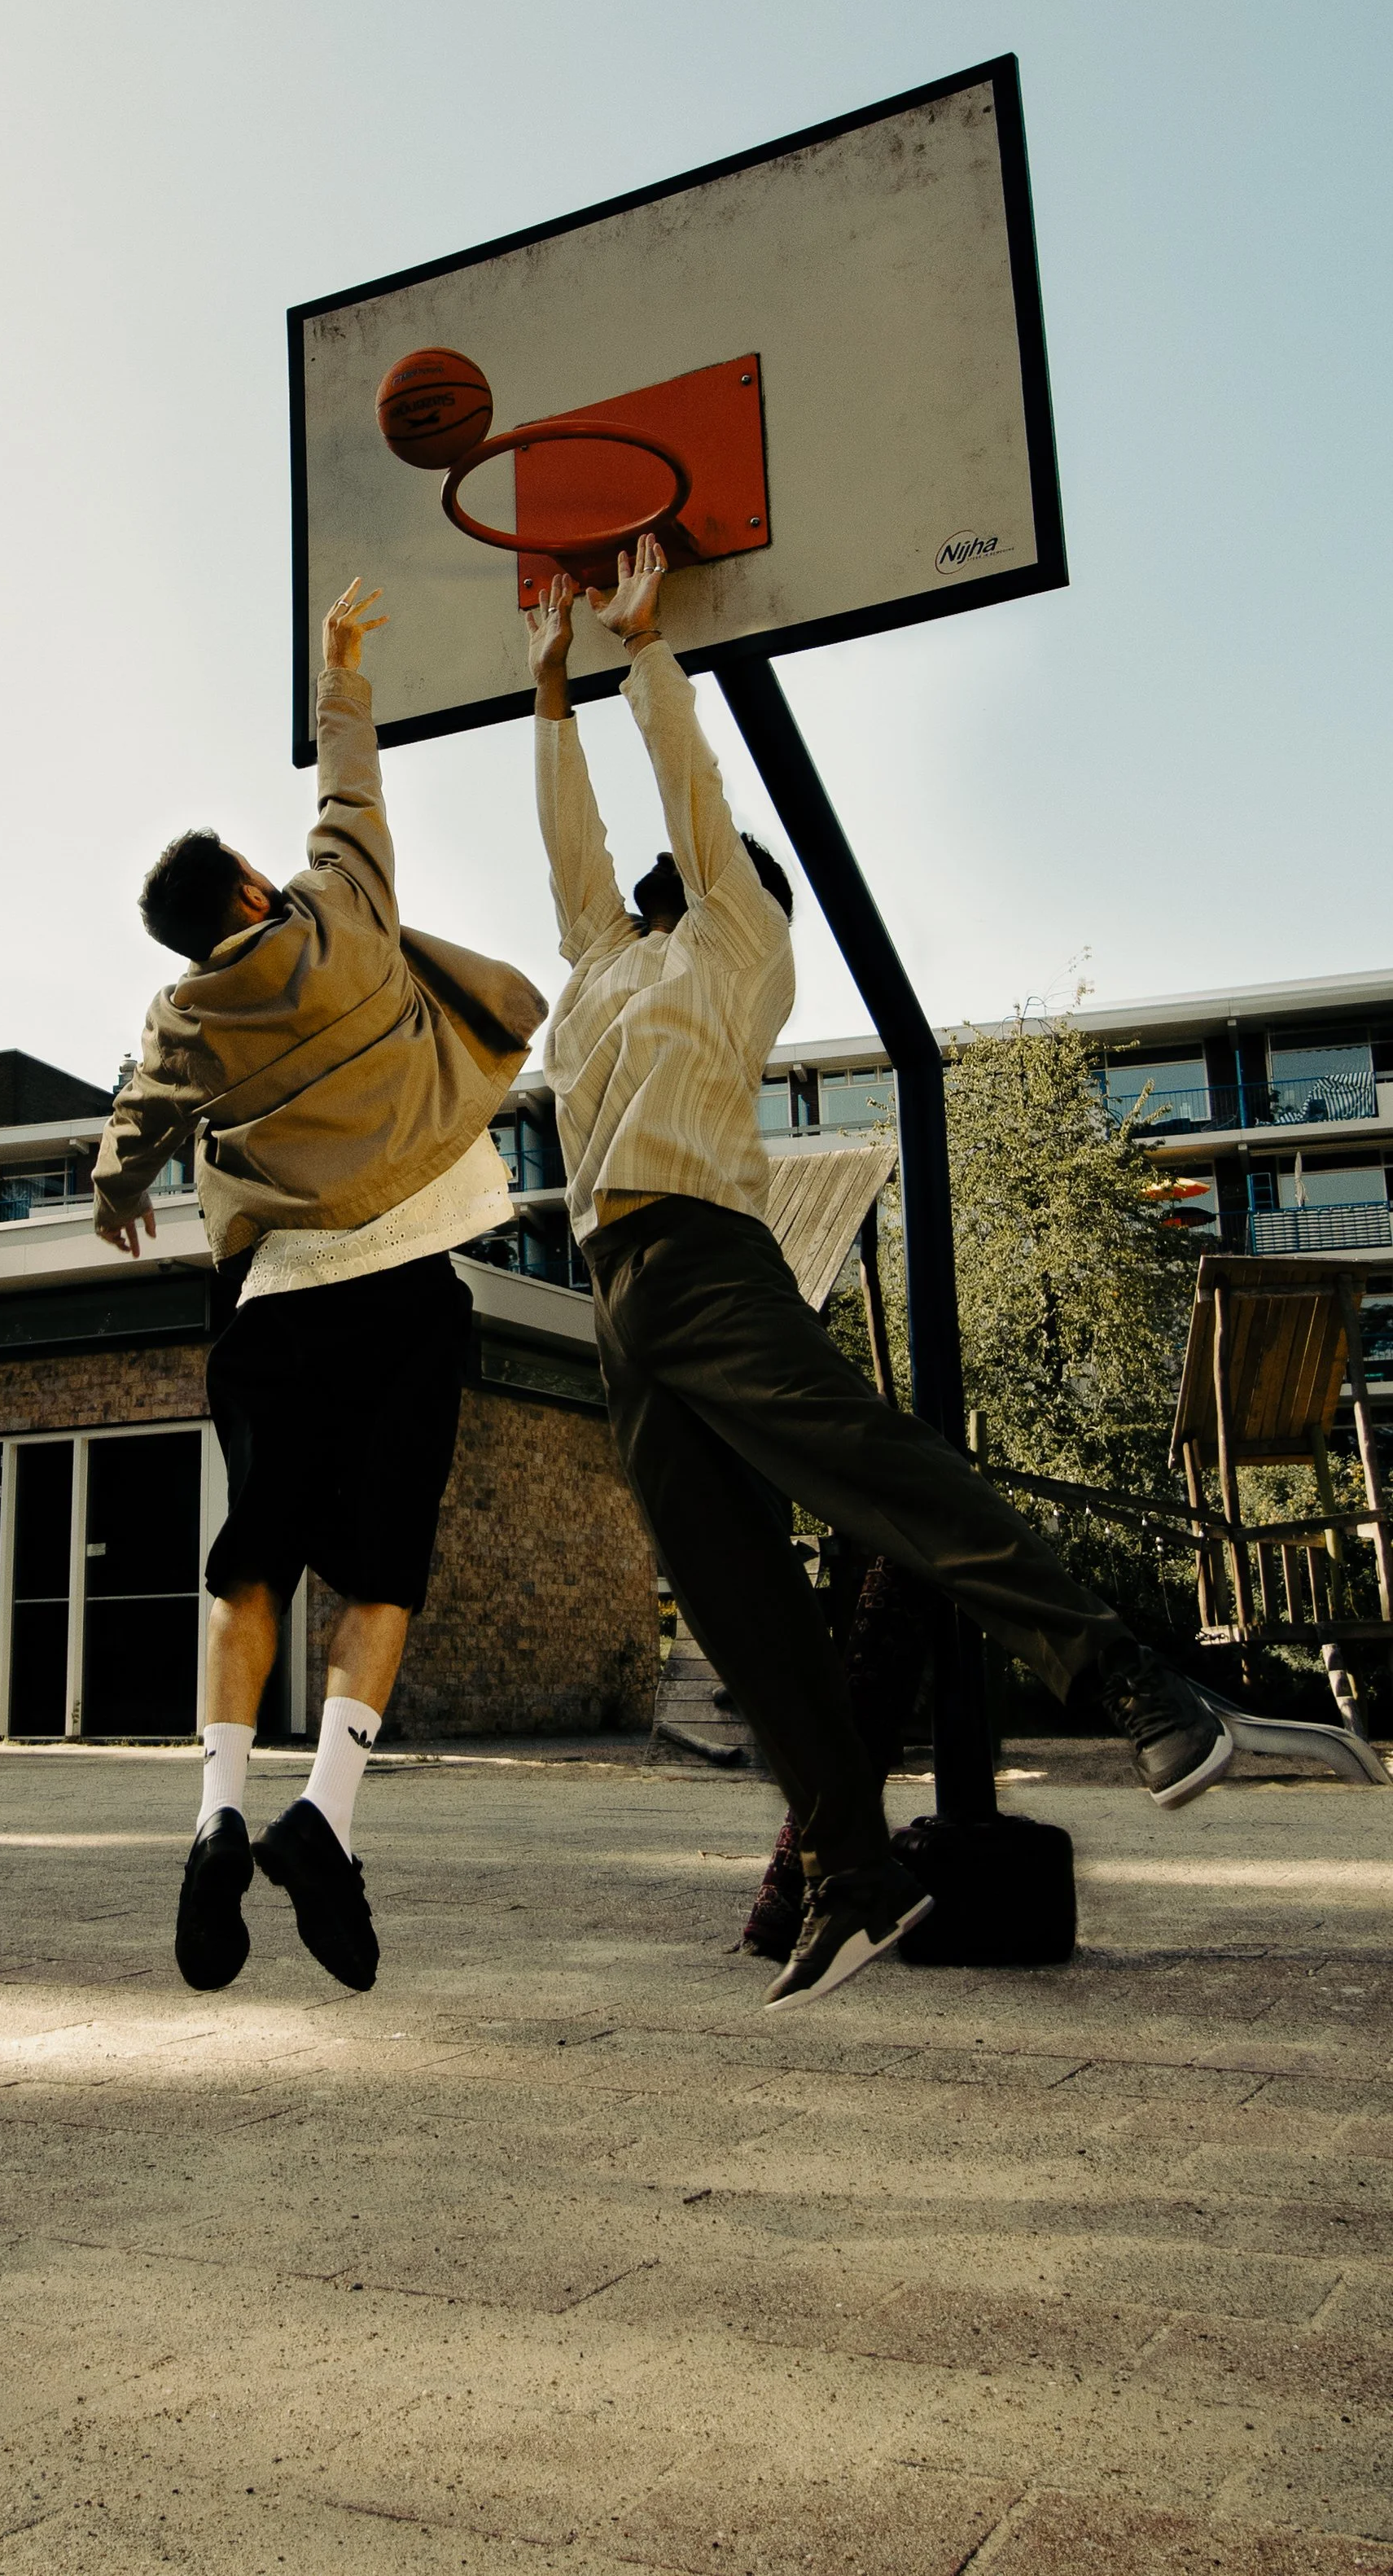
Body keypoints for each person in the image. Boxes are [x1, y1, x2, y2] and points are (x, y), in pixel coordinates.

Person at [528, 532, 1275, 2010]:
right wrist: (548, 692)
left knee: (867, 1464)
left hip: (703, 1252)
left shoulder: (743, 941)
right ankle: (854, 1869)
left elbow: (693, 794)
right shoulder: (603, 964)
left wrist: (638, 655)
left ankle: (1129, 1680)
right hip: (619, 1299)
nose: (699, 863)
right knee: (732, 1598)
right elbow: (578, 860)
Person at [94, 580, 545, 1995]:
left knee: (253, 1559)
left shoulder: (181, 1017)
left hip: (275, 1303)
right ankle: (323, 1821)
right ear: (247, 887)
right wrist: (339, 662)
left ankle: (217, 1813)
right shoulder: (345, 911)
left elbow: (134, 1124)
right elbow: (351, 778)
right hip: (409, 1282)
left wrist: (119, 1194)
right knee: (384, 1571)